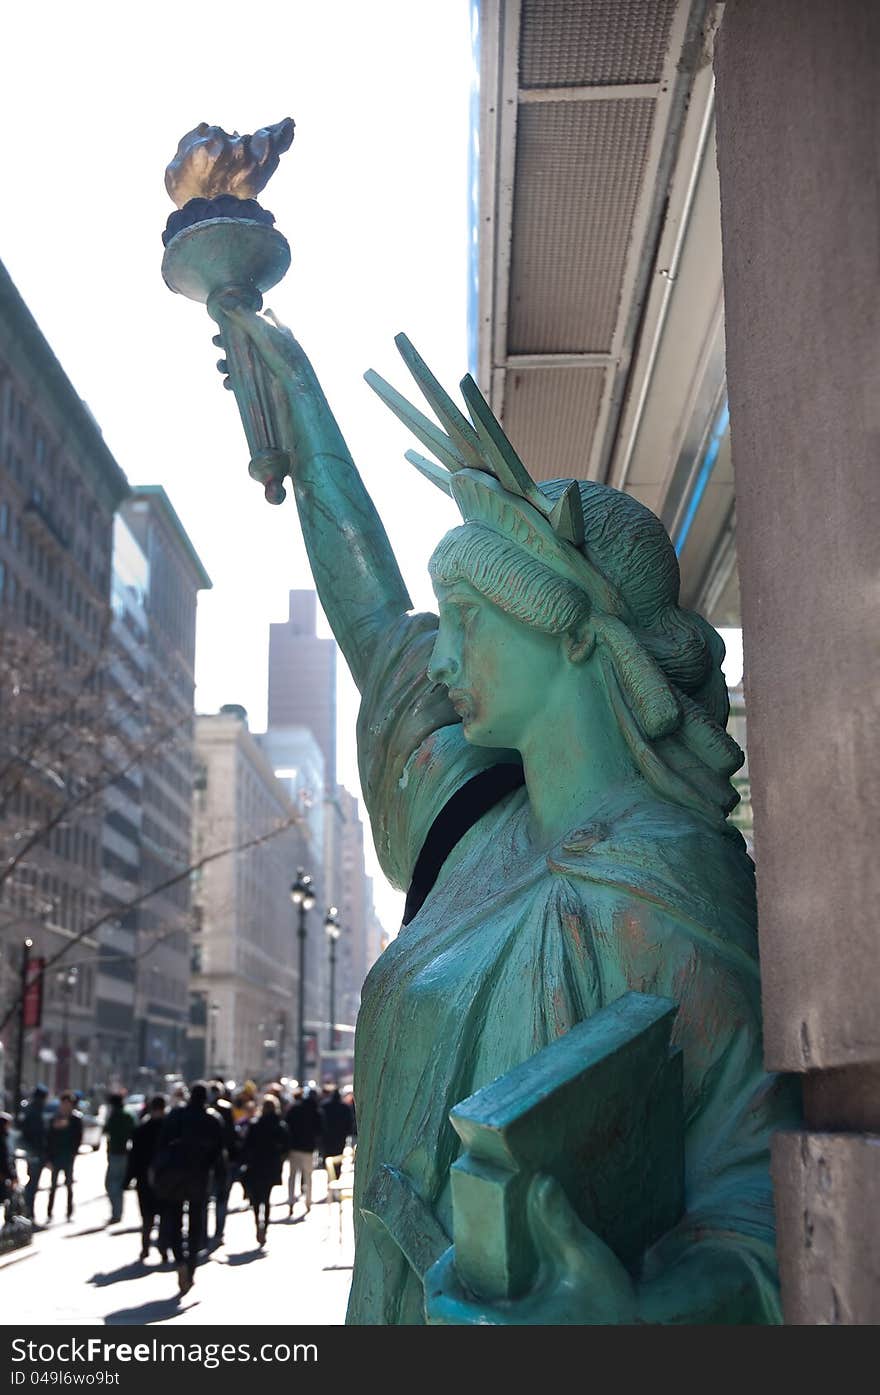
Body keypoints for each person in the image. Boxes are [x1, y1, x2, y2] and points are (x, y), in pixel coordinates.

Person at [219, 311, 801, 1325]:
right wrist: (297, 407)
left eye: (465, 626)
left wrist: (633, 1326)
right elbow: (367, 618)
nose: (437, 665)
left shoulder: (667, 876)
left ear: (569, 635)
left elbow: (757, 1207)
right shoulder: (477, 823)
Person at [153, 1081, 222, 1295]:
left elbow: (162, 1143)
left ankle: (180, 1261)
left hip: (175, 1174)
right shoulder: (212, 1119)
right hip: (199, 1176)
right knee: (195, 1223)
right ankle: (190, 1267)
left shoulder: (176, 1115)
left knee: (174, 1220)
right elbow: (218, 1152)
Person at [240, 1094, 288, 1246]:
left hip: (256, 1166)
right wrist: (279, 1157)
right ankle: (264, 1228)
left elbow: (246, 1146)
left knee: (256, 1199)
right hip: (271, 1166)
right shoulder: (279, 1125)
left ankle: (257, 1224)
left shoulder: (255, 1124)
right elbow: (286, 1144)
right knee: (266, 1199)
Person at [126, 1095, 170, 1261]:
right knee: (165, 1215)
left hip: (144, 1179)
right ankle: (163, 1248)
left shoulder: (141, 1130)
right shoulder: (170, 1129)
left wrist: (128, 1178)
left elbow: (133, 1157)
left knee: (147, 1217)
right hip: (165, 1179)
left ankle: (145, 1248)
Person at [205, 1080, 237, 1246]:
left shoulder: (204, 1109)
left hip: (205, 1162)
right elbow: (232, 1136)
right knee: (221, 1199)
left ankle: (202, 1233)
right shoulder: (225, 1109)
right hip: (222, 1160)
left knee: (205, 1200)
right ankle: (218, 1232)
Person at [45, 1092, 83, 1222]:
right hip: (56, 1156)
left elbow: (78, 1137)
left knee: (69, 1184)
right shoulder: (54, 1118)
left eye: (68, 1104)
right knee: (53, 1185)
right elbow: (49, 1138)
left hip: (68, 1156)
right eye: (64, 1103)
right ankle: (49, 1212)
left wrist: (74, 1152)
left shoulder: (76, 1119)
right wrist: (48, 1158)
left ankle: (69, 1211)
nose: (66, 1106)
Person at [284, 1087, 321, 1215]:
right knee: (308, 1176)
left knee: (292, 1176)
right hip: (309, 1149)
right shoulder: (316, 1110)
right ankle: (308, 1203)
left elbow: (286, 1126)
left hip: (294, 1148)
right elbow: (320, 1129)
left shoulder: (294, 1109)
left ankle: (290, 1202)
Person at [102, 1093, 134, 1224]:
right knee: (119, 1183)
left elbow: (106, 1130)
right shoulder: (128, 1115)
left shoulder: (115, 1115)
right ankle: (118, 1212)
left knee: (111, 1184)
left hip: (115, 1152)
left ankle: (116, 1212)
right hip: (125, 1153)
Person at [18, 1085, 49, 1219]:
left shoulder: (31, 1110)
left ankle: (27, 1210)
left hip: (33, 1151)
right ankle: (27, 1211)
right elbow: (37, 1135)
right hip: (35, 1152)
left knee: (32, 1183)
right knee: (32, 1184)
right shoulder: (35, 1112)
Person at [319, 1087, 354, 1181]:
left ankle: (330, 1178)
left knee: (327, 1157)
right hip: (340, 1137)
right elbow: (349, 1123)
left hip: (327, 1137)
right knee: (338, 1158)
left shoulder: (325, 1106)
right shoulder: (345, 1107)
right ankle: (336, 1177)